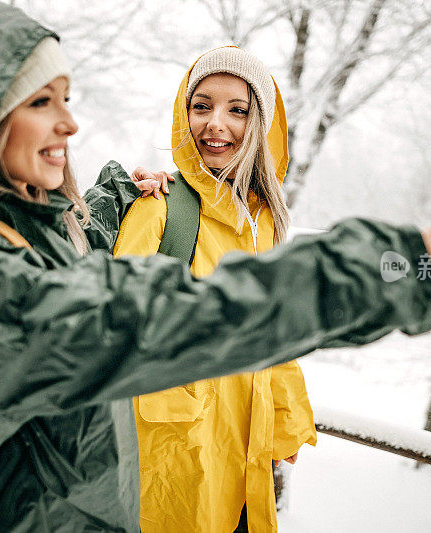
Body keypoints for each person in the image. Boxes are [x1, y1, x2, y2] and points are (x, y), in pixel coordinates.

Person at [0, 1, 431, 531]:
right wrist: (380, 267)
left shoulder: (19, 227)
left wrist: (280, 425)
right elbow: (146, 314)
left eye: (66, 97)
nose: (71, 124)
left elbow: (94, 274)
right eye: (40, 102)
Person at [113, 47, 316, 533]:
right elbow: (113, 323)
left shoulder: (264, 222)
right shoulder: (161, 208)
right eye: (201, 106)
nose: (215, 124)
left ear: (262, 124)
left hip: (246, 449)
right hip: (170, 455)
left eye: (237, 110)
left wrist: (286, 417)